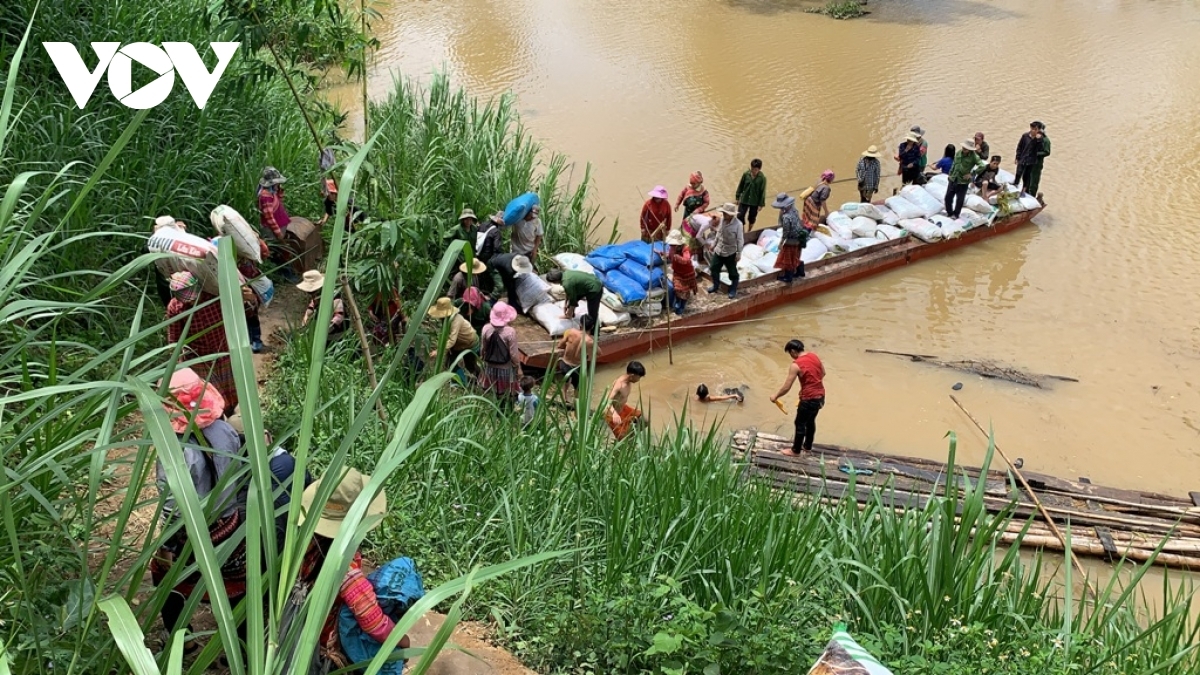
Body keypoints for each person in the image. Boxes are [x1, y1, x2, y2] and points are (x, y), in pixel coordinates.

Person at [150, 367, 248, 650]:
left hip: (191, 535)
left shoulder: (175, 450)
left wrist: (167, 545)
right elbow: (239, 476)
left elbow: (171, 505)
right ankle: (239, 643)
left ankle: (180, 638)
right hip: (230, 526)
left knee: (166, 576)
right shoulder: (225, 430)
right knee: (236, 584)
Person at [295, 468, 412, 671]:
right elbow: (374, 623)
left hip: (299, 629)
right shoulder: (345, 571)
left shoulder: (303, 545)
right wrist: (402, 641)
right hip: (325, 643)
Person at [165, 271, 238, 417]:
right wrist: (177, 362)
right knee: (211, 395)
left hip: (222, 351)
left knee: (232, 390)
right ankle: (218, 421)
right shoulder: (175, 307)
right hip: (199, 359)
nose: (191, 302)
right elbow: (174, 336)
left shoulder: (214, 296)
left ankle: (233, 420)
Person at [769, 339, 826, 456]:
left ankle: (795, 450)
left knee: (799, 423)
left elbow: (786, 387)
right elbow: (823, 373)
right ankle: (807, 447)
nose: (792, 357)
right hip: (820, 396)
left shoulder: (796, 365)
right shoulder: (814, 356)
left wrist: (775, 396)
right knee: (810, 422)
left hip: (808, 399)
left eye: (790, 354)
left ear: (793, 351)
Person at [257, 166, 299, 283]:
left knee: (282, 249)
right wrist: (278, 233)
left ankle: (284, 272)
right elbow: (269, 217)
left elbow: (279, 201)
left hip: (280, 226)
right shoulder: (265, 197)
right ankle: (285, 273)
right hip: (272, 231)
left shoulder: (272, 192)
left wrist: (279, 192)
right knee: (279, 251)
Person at [426, 296, 479, 375]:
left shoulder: (456, 320)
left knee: (470, 366)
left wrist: (438, 351)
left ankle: (479, 381)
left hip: (469, 343)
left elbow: (452, 340)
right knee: (451, 365)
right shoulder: (445, 319)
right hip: (457, 344)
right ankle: (459, 382)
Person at [479, 301, 522, 396]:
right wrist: (518, 368)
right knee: (507, 394)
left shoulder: (486, 329)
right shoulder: (510, 332)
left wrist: (482, 359)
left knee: (493, 393)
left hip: (490, 367)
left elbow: (483, 348)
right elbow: (514, 354)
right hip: (505, 368)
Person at [700, 203, 744, 299]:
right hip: (719, 250)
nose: (724, 215)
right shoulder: (723, 220)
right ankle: (716, 286)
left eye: (726, 213)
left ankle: (733, 289)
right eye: (723, 213)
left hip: (730, 252)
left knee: (732, 272)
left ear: (732, 214)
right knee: (713, 268)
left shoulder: (738, 225)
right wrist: (713, 245)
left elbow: (740, 240)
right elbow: (718, 234)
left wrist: (739, 253)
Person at [554, 316, 600, 393]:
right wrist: (588, 356)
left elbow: (559, 345)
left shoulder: (571, 332)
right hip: (575, 369)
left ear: (580, 325)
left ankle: (565, 397)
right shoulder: (590, 341)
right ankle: (575, 402)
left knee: (567, 380)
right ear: (592, 327)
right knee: (578, 388)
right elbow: (599, 353)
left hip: (563, 364)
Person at [297, 270, 346, 338]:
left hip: (336, 334)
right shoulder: (317, 296)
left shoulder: (334, 296)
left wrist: (320, 333)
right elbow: (309, 311)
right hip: (321, 329)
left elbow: (339, 318)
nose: (311, 294)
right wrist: (304, 325)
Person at [771, 192, 807, 283]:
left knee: (787, 257)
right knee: (795, 256)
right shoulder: (795, 210)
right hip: (799, 237)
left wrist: (781, 243)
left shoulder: (786, 217)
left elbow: (786, 231)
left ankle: (788, 277)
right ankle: (800, 272)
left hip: (791, 240)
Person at [605, 361, 645, 440]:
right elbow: (607, 401)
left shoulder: (628, 380)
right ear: (632, 375)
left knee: (645, 419)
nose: (639, 379)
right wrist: (614, 414)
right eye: (639, 377)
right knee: (621, 437)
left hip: (623, 408)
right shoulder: (619, 384)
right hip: (612, 413)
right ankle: (624, 440)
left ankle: (630, 437)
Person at [945, 140, 985, 218]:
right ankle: (950, 213)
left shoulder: (974, 157)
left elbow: (982, 166)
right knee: (948, 198)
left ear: (970, 149)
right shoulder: (959, 153)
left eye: (966, 148)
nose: (964, 149)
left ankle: (956, 214)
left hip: (963, 182)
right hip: (953, 179)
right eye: (963, 147)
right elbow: (954, 164)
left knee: (959, 200)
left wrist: (972, 173)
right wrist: (950, 173)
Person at [664, 229, 697, 314]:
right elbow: (669, 255)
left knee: (685, 291)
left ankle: (682, 305)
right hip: (677, 272)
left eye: (673, 244)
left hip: (686, 274)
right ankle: (678, 301)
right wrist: (662, 254)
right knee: (677, 289)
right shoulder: (672, 248)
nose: (672, 245)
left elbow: (687, 260)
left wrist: (677, 257)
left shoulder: (685, 249)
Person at [735, 159, 767, 229]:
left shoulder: (762, 178)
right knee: (740, 216)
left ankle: (749, 230)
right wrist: (737, 197)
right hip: (744, 199)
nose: (753, 171)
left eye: (755, 170)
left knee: (752, 218)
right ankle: (741, 231)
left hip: (755, 201)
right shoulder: (746, 174)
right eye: (752, 169)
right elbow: (741, 185)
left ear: (759, 169)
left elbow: (762, 191)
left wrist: (761, 204)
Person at [1014, 121, 1044, 195]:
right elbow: (1019, 147)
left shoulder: (1040, 139)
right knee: (1018, 173)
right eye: (1032, 128)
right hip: (1022, 158)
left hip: (1031, 161)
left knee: (1026, 176)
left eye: (1035, 129)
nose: (1033, 130)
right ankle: (1015, 187)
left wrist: (1038, 140)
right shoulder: (1025, 136)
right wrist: (1017, 157)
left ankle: (1024, 191)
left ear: (1038, 130)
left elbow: (1040, 149)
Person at [1029, 123, 1050, 197]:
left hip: (1037, 164)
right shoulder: (1031, 137)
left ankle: (1031, 196)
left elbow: (1047, 152)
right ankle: (1026, 194)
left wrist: (1036, 153)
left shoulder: (1046, 140)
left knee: (1034, 181)